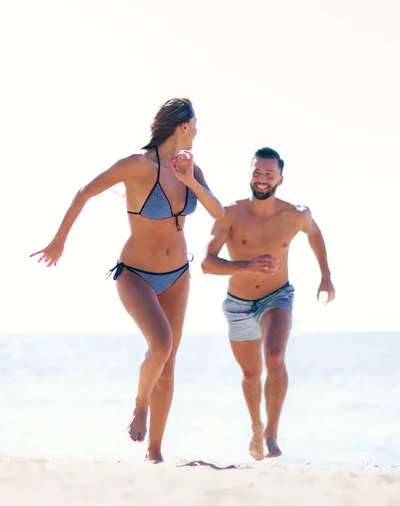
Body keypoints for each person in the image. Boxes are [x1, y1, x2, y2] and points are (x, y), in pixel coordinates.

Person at [30, 98, 224, 464]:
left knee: (169, 363)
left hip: (179, 275)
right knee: (161, 345)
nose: (198, 130)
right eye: (195, 124)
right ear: (182, 126)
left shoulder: (191, 169)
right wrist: (59, 240)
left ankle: (155, 454)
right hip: (135, 274)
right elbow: (84, 192)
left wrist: (188, 180)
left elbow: (219, 212)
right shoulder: (137, 165)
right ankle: (140, 405)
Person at [201, 147, 334, 460]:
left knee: (274, 356)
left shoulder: (296, 215)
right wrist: (246, 266)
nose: (262, 179)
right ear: (250, 174)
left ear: (280, 179)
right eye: (257, 173)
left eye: (268, 174)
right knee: (250, 375)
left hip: (278, 296)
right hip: (238, 304)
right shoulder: (230, 213)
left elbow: (314, 236)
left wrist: (326, 277)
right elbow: (207, 263)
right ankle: (255, 427)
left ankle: (272, 433)